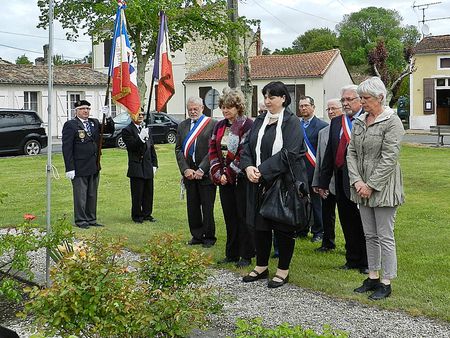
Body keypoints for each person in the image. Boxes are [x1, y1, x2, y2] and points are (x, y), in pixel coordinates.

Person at [240, 81, 308, 288]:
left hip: (283, 184)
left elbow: (290, 153)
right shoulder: (260, 121)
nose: (267, 101)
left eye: (272, 97)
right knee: (259, 226)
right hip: (257, 182)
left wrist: (263, 171)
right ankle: (261, 266)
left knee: (282, 227)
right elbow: (247, 148)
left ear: (283, 98)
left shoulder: (292, 122)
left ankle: (283, 270)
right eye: (265, 97)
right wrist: (248, 167)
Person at [346, 77, 405, 300]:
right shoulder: (360, 121)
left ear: (380, 98)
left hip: (384, 187)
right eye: (360, 98)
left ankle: (386, 281)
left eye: (366, 98)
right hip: (361, 186)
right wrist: (358, 182)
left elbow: (390, 158)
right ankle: (372, 276)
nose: (362, 102)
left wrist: (371, 185)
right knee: (369, 235)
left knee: (384, 235)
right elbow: (351, 153)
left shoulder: (392, 122)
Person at [319, 86, 369, 273]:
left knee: (363, 223)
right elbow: (329, 155)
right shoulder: (337, 122)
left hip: (360, 181)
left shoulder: (367, 119)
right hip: (340, 180)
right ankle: (352, 259)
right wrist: (323, 182)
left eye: (349, 99)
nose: (345, 103)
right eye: (343, 100)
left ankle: (366, 262)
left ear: (360, 100)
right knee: (346, 221)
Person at [209, 88, 254, 267]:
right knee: (230, 217)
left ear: (238, 107)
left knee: (243, 216)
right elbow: (213, 149)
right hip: (223, 180)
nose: (226, 110)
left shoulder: (247, 125)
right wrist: (217, 173)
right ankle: (232, 253)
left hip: (241, 179)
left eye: (229, 107)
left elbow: (244, 152)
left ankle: (246, 254)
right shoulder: (219, 126)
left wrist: (229, 173)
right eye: (223, 107)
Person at [175, 97, 217, 247]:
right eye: (190, 109)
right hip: (189, 173)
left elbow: (214, 150)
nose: (192, 112)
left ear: (202, 108)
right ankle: (197, 235)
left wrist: (202, 169)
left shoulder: (212, 124)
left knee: (207, 206)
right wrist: (185, 169)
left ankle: (209, 237)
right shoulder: (182, 125)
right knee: (192, 207)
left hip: (206, 173)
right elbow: (178, 149)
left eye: (195, 109)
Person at [62, 99, 102, 229]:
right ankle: (81, 220)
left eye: (88, 109)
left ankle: (91, 218)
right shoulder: (71, 125)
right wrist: (69, 168)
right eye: (83, 109)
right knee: (81, 195)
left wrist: (108, 117)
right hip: (79, 166)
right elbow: (67, 148)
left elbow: (109, 130)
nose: (86, 111)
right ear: (76, 111)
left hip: (94, 165)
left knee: (92, 194)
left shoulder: (94, 123)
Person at [312, 98, 343, 252]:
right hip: (327, 181)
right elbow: (320, 159)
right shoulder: (323, 132)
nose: (331, 112)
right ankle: (328, 243)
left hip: (344, 181)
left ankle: (354, 246)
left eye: (334, 109)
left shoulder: (350, 129)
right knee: (327, 213)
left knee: (349, 216)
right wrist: (318, 182)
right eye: (328, 109)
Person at [297, 95, 328, 242]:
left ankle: (318, 231)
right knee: (301, 202)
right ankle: (302, 228)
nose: (303, 108)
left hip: (314, 170)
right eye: (301, 106)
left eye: (306, 105)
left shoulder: (322, 126)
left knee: (317, 204)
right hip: (299, 171)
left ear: (313, 107)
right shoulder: (295, 125)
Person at [122, 110, 158, 223]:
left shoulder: (146, 128)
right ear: (132, 115)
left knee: (148, 191)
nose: (141, 116)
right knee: (138, 192)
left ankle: (147, 213)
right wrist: (140, 138)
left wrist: (155, 164)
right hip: (136, 165)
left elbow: (151, 148)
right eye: (138, 114)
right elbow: (132, 147)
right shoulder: (127, 130)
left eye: (142, 114)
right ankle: (137, 215)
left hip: (147, 164)